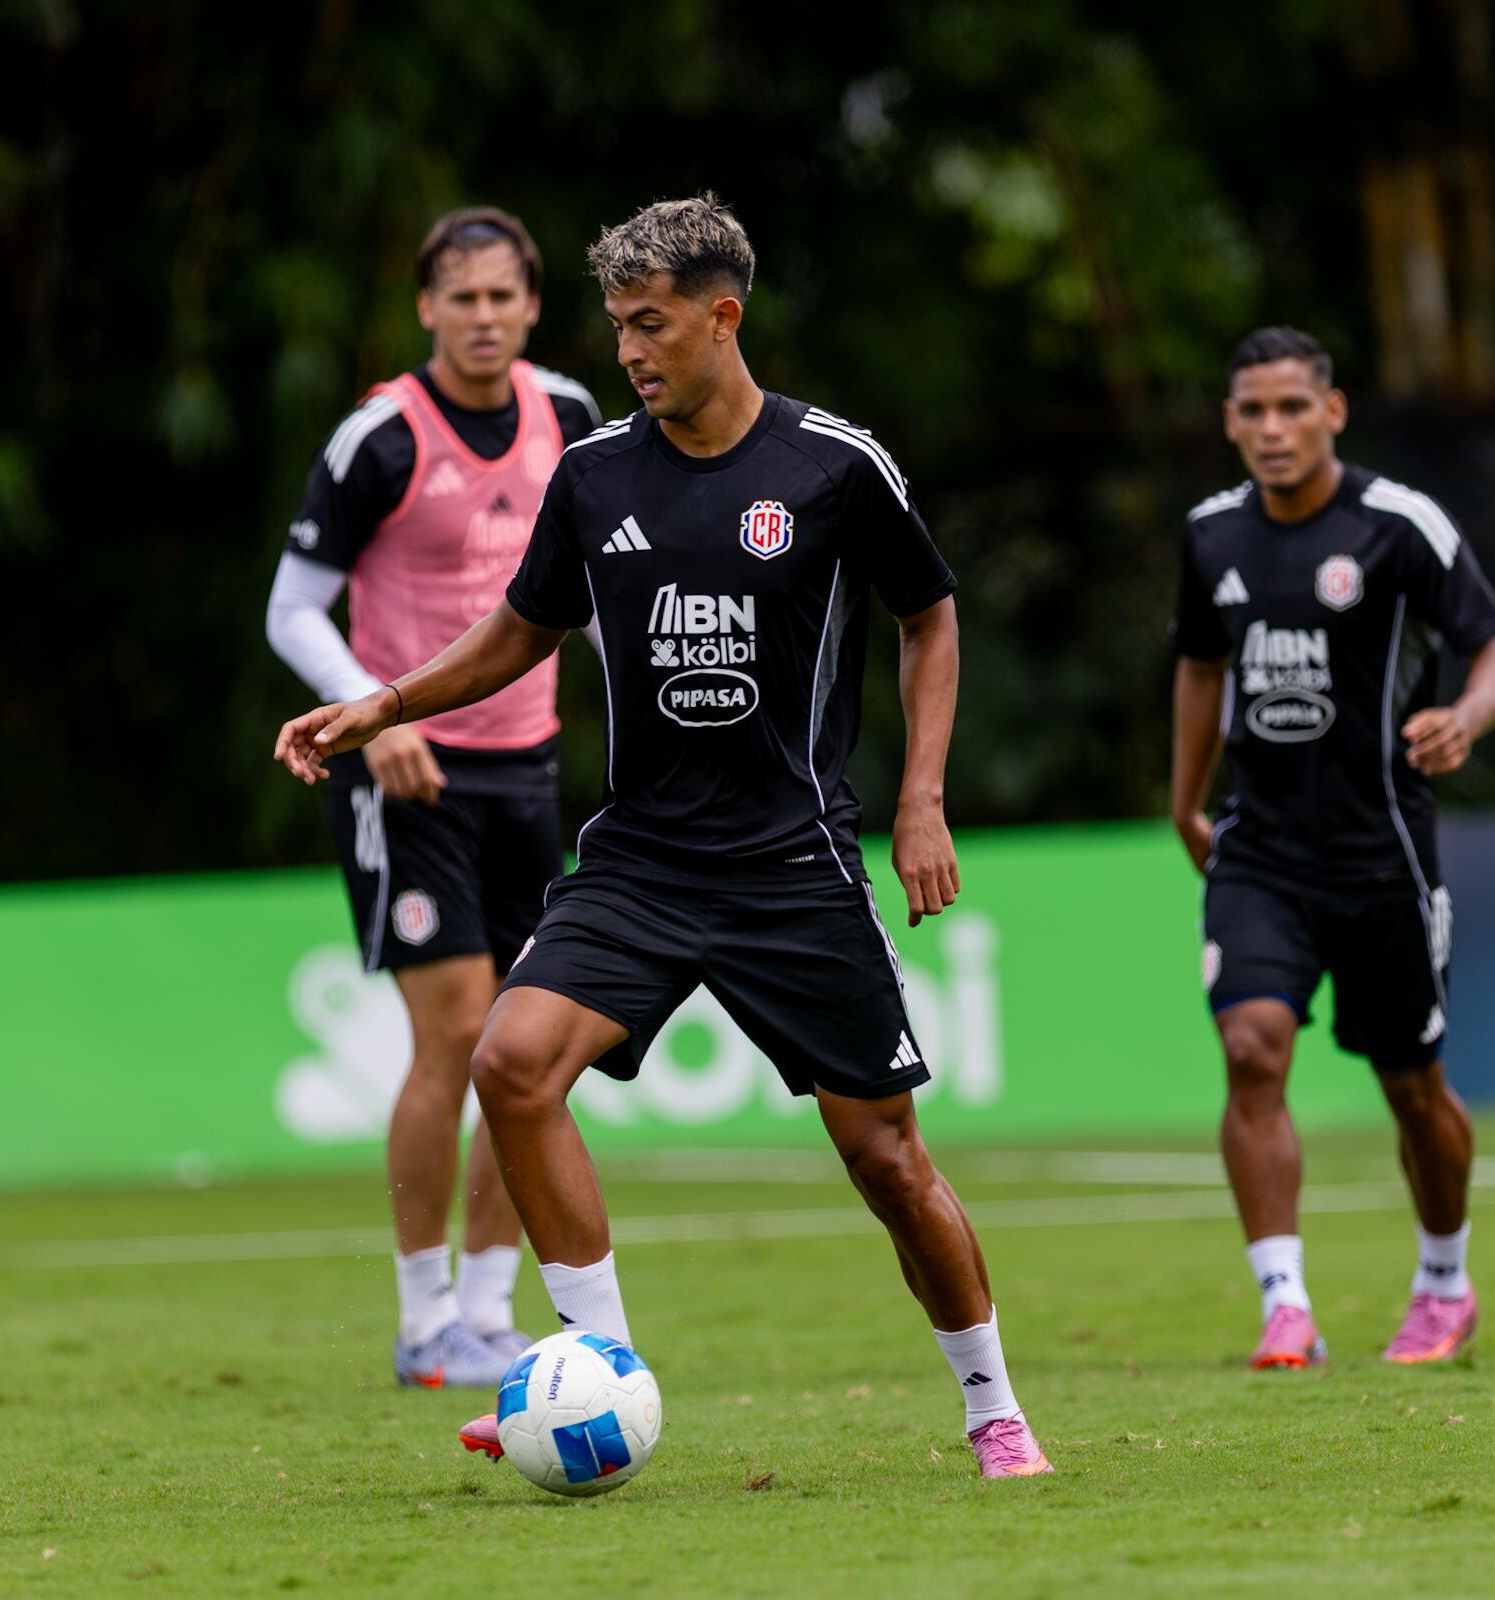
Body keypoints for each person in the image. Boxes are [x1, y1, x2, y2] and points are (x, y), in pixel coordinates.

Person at [274, 194, 1051, 1477]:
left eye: (650, 326)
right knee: (512, 1063)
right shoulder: (595, 477)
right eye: (617, 327)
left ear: (721, 317)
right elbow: (523, 629)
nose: (628, 353)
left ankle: (992, 1405)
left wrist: (922, 796)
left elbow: (930, 614)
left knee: (885, 1155)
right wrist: (389, 701)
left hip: (793, 863)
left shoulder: (835, 466)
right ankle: (597, 1369)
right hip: (640, 859)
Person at [265, 205, 604, 1390]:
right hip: (405, 771)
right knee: (456, 1034)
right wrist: (377, 712)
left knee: (526, 1041)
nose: (483, 316)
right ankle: (422, 1323)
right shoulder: (380, 439)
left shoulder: (569, 418)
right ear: (426, 308)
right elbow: (292, 607)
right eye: (460, 297)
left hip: (528, 766)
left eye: (502, 295)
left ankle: (487, 1311)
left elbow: (594, 591)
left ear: (530, 306)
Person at [1169, 326, 1495, 1369]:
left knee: (1412, 1086)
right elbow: (1198, 666)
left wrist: (1468, 716)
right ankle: (1285, 1303)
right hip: (1260, 849)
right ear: (1229, 422)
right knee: (1250, 1050)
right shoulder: (1210, 537)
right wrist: (1184, 799)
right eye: (1251, 411)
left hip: (1383, 858)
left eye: (1291, 408)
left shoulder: (1397, 524)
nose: (1271, 430)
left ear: (1333, 411)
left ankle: (1444, 1280)